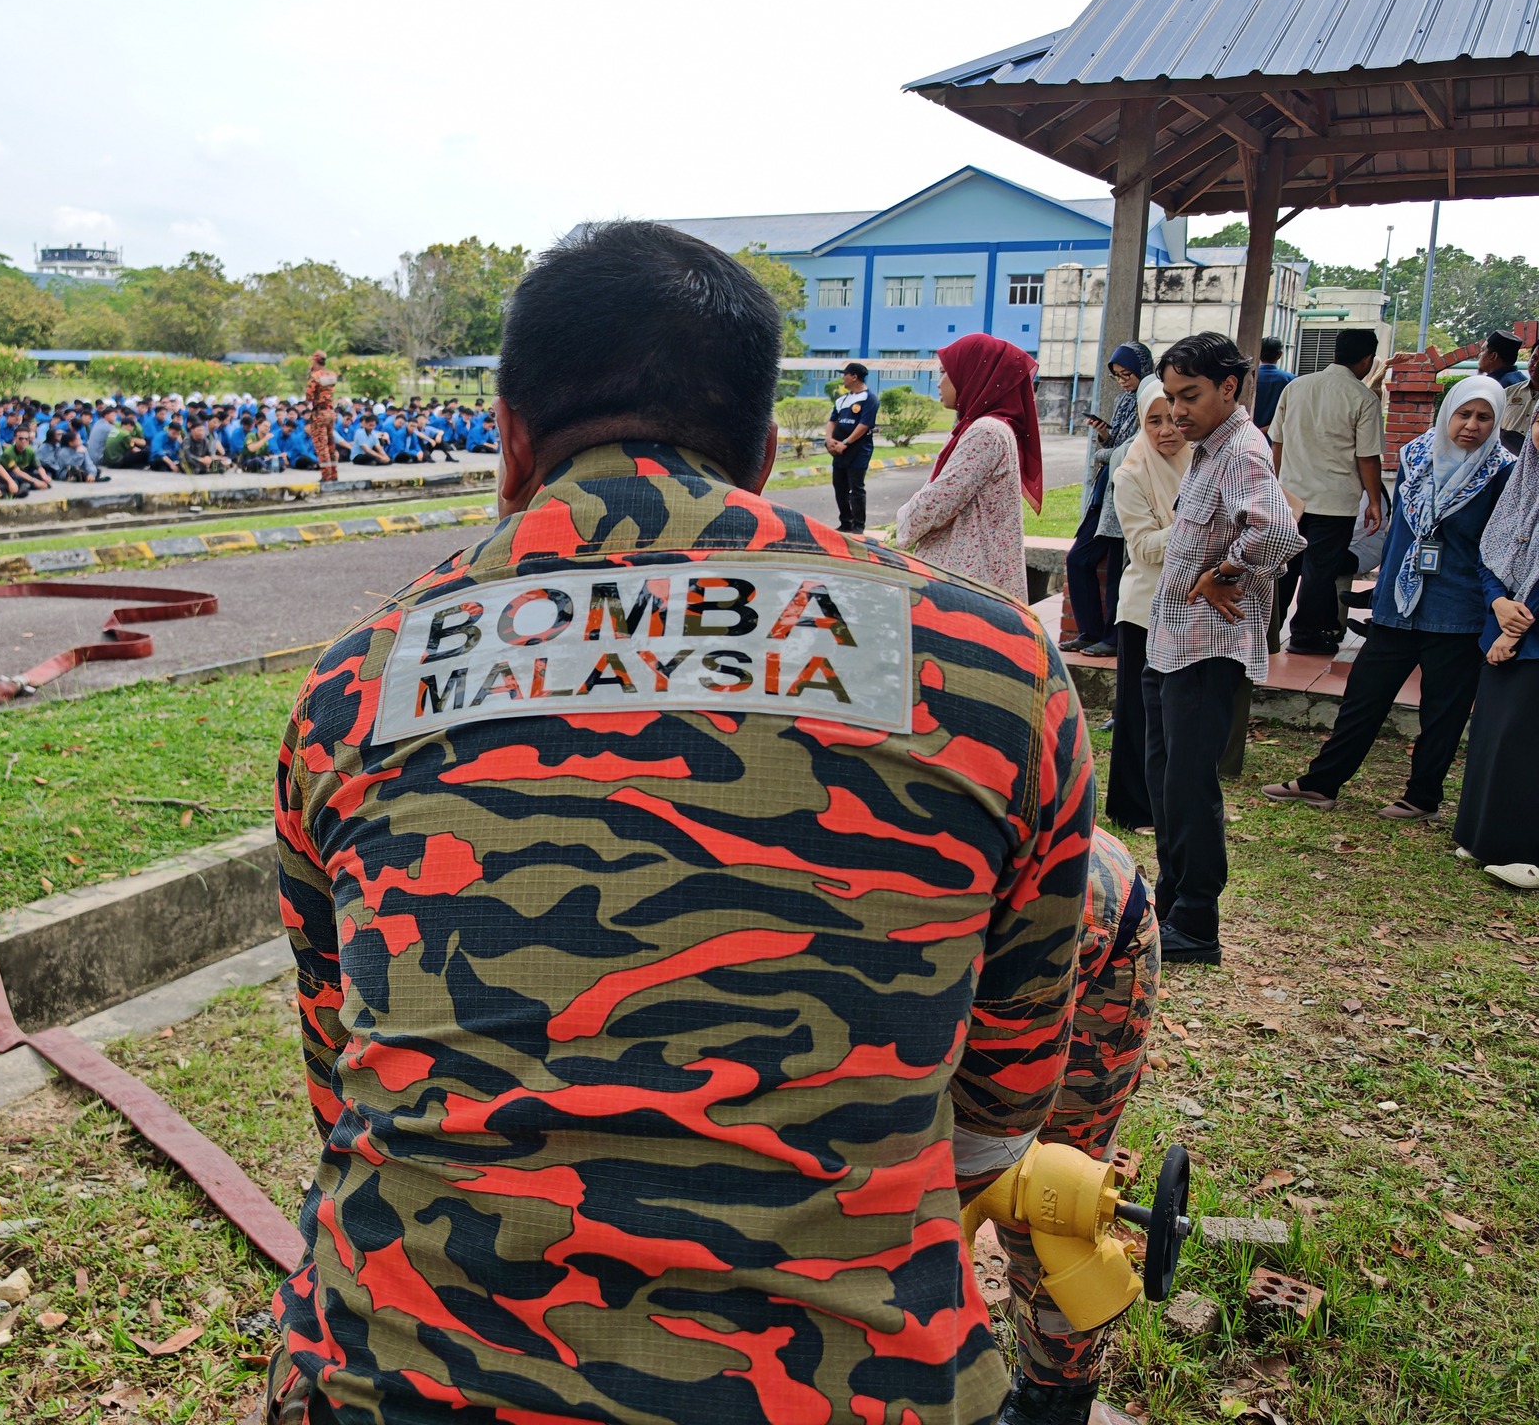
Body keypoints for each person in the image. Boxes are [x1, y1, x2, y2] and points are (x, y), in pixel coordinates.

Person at [264, 220, 1093, 1425]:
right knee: (1111, 895)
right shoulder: (992, 666)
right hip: (853, 1392)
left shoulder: (356, 682)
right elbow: (1009, 1091)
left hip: (390, 1390)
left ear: (509, 442)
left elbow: (343, 1077)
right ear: (760, 454)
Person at [1264, 376, 1512, 822]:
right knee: (1364, 696)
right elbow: (1400, 532)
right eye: (1463, 414)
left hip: (1459, 608)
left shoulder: (1503, 472)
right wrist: (1381, 591)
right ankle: (1322, 782)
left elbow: (1500, 546)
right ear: (1446, 413)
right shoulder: (1416, 456)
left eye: (1484, 417)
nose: (1471, 426)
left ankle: (1422, 798)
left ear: (1496, 423)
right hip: (1399, 603)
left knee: (1444, 709)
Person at [982, 825, 1160, 1424]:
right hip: (989, 939)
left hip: (1086, 940)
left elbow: (982, 1126)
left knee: (1050, 1198)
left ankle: (1052, 1398)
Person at [1145, 333, 1305, 965]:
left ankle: (1197, 922)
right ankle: (1169, 901)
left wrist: (1228, 571)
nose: (1178, 411)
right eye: (1170, 397)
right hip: (1173, 641)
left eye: (1191, 396)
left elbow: (1279, 532)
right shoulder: (1211, 447)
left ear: (1229, 388)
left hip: (1208, 646)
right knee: (1165, 782)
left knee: (1188, 785)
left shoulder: (1239, 448)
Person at [895, 332, 1041, 604]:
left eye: (945, 373)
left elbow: (938, 502)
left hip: (969, 582)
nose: (939, 384)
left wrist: (904, 519)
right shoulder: (980, 427)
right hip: (969, 575)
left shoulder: (987, 431)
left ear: (974, 375)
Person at [1453, 426, 1539, 883]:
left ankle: (1529, 853)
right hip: (1503, 623)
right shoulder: (1525, 480)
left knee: (1524, 743)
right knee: (1491, 735)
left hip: (1530, 639)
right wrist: (1498, 603)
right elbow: (1493, 553)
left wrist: (1517, 630)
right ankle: (1483, 836)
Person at [1269, 328, 1385, 656]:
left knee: (1283, 566)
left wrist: (1273, 487)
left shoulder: (1296, 387)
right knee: (1319, 570)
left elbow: (1276, 442)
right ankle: (1306, 634)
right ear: (1367, 360)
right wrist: (1374, 502)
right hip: (1335, 502)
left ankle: (1267, 631)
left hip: (1289, 497)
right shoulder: (1363, 398)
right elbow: (1367, 456)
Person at [1105, 381, 1187, 829]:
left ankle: (1173, 804)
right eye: (1154, 420)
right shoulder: (1132, 472)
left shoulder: (1202, 461)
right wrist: (1196, 527)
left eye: (1173, 418)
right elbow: (1142, 547)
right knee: (1139, 717)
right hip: (1145, 611)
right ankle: (1134, 808)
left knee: (1180, 717)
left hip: (1193, 607)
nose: (1166, 430)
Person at [1064, 343, 1149, 655]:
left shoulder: (1152, 400)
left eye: (1127, 374)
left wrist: (1102, 453)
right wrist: (1104, 434)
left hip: (1128, 494)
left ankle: (1112, 639)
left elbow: (1139, 449)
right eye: (1118, 376)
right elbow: (1119, 442)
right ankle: (1089, 631)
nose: (1124, 381)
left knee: (1118, 568)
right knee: (1078, 558)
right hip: (1105, 492)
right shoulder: (1125, 401)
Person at [825, 360, 877, 531]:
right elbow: (832, 421)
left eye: (845, 375)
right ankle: (845, 522)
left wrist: (845, 443)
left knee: (856, 488)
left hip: (858, 450)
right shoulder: (842, 400)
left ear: (854, 377)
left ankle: (858, 525)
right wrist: (829, 439)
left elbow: (864, 425)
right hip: (838, 451)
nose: (843, 379)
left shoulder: (869, 399)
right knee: (839, 487)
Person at [1479, 330, 1530, 452]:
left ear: (1493, 356)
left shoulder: (1497, 386)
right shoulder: (1521, 380)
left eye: (1482, 351)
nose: (1480, 356)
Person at [305, 353, 339, 482]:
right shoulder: (331, 374)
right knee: (331, 445)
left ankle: (326, 476)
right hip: (331, 412)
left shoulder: (314, 377)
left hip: (319, 413)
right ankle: (334, 474)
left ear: (315, 362)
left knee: (321, 445)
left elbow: (309, 396)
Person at [1251, 335, 1294, 433]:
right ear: (1279, 355)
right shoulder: (1291, 380)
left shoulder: (1247, 378)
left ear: (1258, 353)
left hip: (1247, 436)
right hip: (1276, 437)